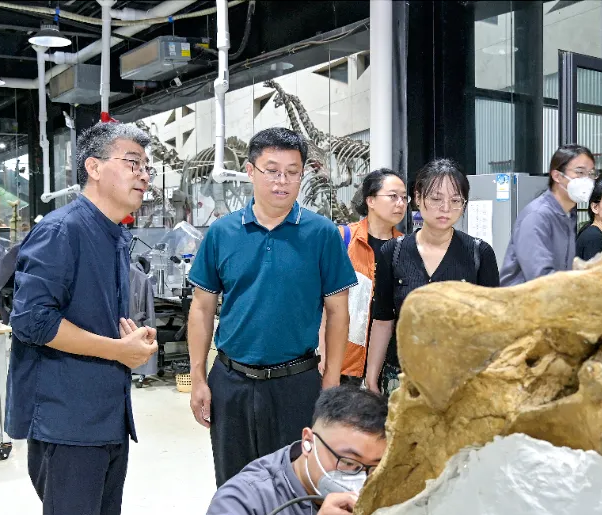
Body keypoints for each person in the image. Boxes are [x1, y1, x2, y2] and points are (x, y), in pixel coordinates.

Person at [6, 122, 159, 515]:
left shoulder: (113, 235)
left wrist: (130, 339)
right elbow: (33, 321)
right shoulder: (62, 229)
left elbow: (91, 321)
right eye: (131, 160)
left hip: (104, 419)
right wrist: (114, 350)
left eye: (146, 164)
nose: (142, 172)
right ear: (93, 167)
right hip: (66, 425)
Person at [186, 127, 357, 488]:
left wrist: (330, 383)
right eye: (272, 170)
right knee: (235, 489)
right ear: (250, 171)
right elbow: (202, 308)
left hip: (297, 384)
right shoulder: (222, 233)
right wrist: (198, 378)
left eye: (292, 172)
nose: (282, 181)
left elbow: (338, 311)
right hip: (230, 382)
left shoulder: (322, 234)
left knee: (296, 491)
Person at [191, 385, 388, 515]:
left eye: (375, 466)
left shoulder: (380, 482)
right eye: (348, 462)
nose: (361, 478)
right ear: (308, 442)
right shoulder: (250, 493)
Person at [366, 159, 500, 398]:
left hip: (459, 380)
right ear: (418, 198)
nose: (446, 208)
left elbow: (491, 326)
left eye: (455, 200)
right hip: (400, 378)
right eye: (436, 198)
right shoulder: (393, 252)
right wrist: (371, 376)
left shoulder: (479, 254)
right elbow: (383, 320)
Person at [325, 169, 406, 387]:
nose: (400, 203)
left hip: (389, 366)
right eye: (392, 196)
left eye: (404, 197)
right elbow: (322, 304)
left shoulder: (406, 248)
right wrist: (324, 358)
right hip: (343, 363)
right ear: (370, 200)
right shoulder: (344, 239)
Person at [499, 144, 597, 285]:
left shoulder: (568, 215)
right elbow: (540, 277)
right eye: (580, 172)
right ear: (557, 176)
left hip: (551, 301)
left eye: (591, 174)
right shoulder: (537, 216)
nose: (587, 180)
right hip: (524, 303)